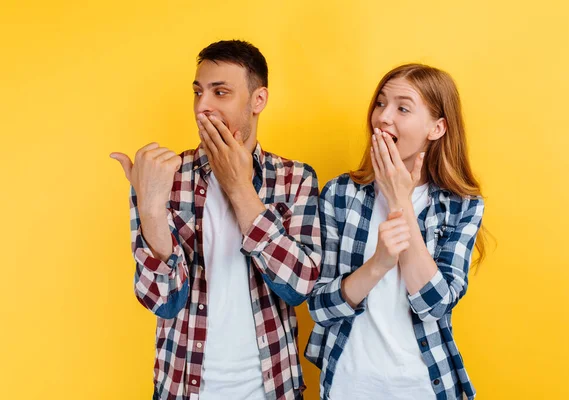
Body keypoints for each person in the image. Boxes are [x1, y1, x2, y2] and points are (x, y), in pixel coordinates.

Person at [110, 40, 321, 400]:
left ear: (259, 101)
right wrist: (150, 206)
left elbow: (299, 286)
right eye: (198, 92)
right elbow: (162, 299)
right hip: (182, 388)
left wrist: (239, 187)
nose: (202, 106)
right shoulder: (163, 177)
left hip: (273, 389)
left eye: (220, 92)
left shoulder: (295, 178)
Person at [305, 63, 486, 400]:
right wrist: (378, 264)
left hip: (423, 385)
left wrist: (399, 200)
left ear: (437, 128)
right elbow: (319, 306)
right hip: (348, 383)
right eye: (380, 103)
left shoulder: (462, 206)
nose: (383, 117)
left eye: (402, 108)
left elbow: (435, 306)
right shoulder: (340, 194)